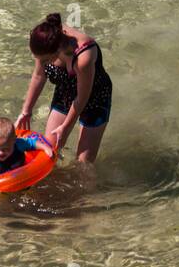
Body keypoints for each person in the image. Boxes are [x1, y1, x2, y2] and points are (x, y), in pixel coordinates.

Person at [16, 12, 112, 165]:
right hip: (65, 92)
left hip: (94, 97)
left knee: (83, 164)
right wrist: (26, 111)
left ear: (57, 51)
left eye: (46, 60)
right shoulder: (46, 40)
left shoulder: (83, 56)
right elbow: (39, 76)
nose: (43, 63)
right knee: (50, 150)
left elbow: (82, 98)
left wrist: (66, 127)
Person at [0, 118, 52, 190]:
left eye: (6, 149)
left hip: (25, 176)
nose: (0, 153)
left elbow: (32, 143)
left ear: (14, 140)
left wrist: (45, 148)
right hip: (5, 186)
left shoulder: (19, 144)